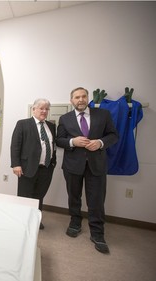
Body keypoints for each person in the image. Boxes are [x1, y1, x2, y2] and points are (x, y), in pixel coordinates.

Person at [56, 87, 118, 254]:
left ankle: (97, 234)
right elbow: (59, 140)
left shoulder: (103, 115)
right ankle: (75, 223)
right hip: (72, 166)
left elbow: (113, 135)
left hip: (96, 165)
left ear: (87, 98)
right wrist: (72, 142)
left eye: (83, 96)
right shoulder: (65, 118)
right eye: (77, 97)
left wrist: (100, 143)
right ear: (72, 101)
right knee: (74, 197)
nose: (81, 100)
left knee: (96, 200)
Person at [11, 98, 57, 229]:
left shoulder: (51, 126)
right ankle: (22, 222)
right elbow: (15, 146)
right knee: (25, 197)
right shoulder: (23, 124)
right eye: (41, 108)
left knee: (39, 196)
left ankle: (35, 219)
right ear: (34, 109)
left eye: (47, 109)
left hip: (46, 169)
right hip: (27, 168)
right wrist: (16, 164)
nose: (44, 111)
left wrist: (53, 163)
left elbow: (52, 146)